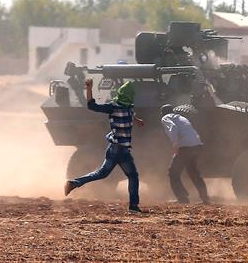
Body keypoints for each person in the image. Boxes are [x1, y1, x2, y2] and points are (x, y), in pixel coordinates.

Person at [64, 79, 144, 212]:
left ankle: (74, 183)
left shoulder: (122, 106)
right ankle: (133, 206)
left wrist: (137, 120)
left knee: (102, 173)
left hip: (117, 149)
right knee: (132, 176)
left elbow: (131, 113)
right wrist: (89, 88)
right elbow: (91, 106)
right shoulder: (115, 107)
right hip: (120, 150)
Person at [161, 104, 210, 204]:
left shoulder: (166, 117)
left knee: (173, 173)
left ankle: (182, 198)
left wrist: (175, 146)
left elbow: (173, 129)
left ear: (163, 113)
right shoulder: (181, 117)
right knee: (194, 172)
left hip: (185, 147)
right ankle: (205, 198)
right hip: (197, 145)